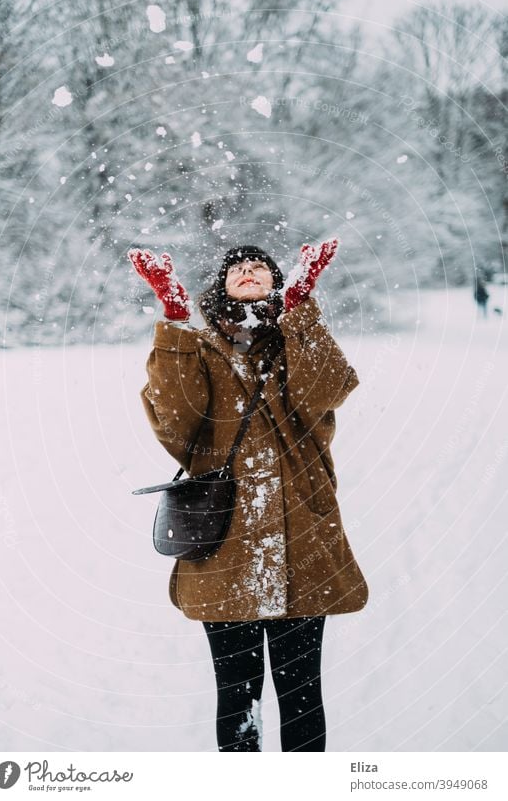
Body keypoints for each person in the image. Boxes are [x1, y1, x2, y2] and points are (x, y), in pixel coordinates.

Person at [128, 241, 369, 752]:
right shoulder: (199, 347)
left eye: (259, 265)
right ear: (220, 287)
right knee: (237, 696)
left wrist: (301, 305)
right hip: (225, 541)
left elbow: (327, 389)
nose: (248, 269)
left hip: (302, 533)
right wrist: (173, 314)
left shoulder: (296, 340)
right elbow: (176, 422)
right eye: (236, 265)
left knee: (302, 691)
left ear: (277, 283)